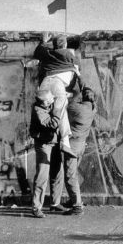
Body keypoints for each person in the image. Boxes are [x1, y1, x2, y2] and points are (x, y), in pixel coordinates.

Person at [51, 86, 98, 216]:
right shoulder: (93, 108)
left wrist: (75, 92)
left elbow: (66, 106)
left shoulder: (77, 108)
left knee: (70, 176)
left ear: (83, 97)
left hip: (71, 148)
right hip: (81, 145)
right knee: (72, 173)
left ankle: (77, 206)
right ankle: (74, 201)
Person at [34, 32, 79, 154]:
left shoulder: (48, 54)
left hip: (45, 83)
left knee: (47, 109)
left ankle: (50, 138)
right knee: (60, 110)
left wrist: (43, 42)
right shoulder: (68, 55)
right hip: (57, 83)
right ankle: (64, 141)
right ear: (64, 45)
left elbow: (37, 52)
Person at [28, 88, 61, 218]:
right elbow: (51, 123)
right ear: (45, 102)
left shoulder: (49, 104)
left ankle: (55, 203)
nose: (53, 98)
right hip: (44, 145)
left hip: (54, 143)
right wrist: (58, 109)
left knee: (58, 173)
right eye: (51, 98)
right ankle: (36, 208)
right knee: (42, 176)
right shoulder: (38, 110)